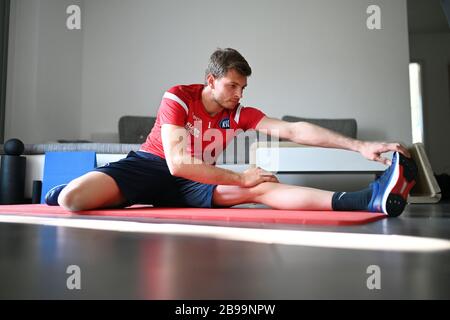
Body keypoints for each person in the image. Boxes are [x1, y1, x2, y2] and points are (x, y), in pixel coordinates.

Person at [45, 48, 417, 217]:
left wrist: (361, 146)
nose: (239, 94)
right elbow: (177, 163)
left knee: (262, 187)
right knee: (71, 201)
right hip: (150, 165)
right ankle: (76, 190)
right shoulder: (177, 96)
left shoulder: (238, 113)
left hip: (193, 182)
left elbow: (293, 129)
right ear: (211, 80)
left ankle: (365, 199)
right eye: (233, 86)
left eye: (243, 88)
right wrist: (239, 176)